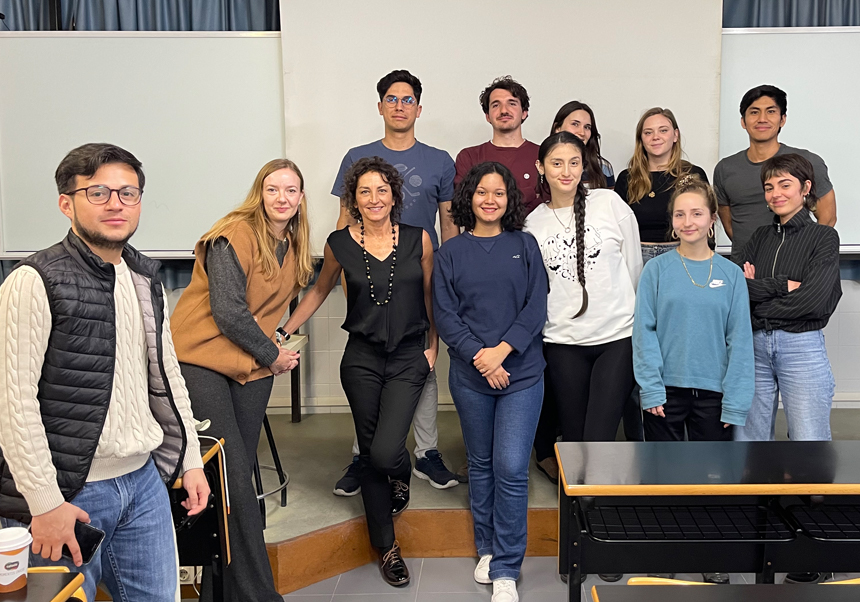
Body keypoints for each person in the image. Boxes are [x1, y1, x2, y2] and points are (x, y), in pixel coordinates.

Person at [0, 143, 209, 602]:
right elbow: (13, 406)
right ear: (66, 203)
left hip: (143, 483)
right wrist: (45, 502)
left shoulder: (144, 278)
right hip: (70, 493)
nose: (116, 203)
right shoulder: (35, 281)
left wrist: (190, 458)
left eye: (128, 193)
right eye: (98, 192)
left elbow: (167, 375)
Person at [283, 157, 437, 587]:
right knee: (371, 453)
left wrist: (432, 348)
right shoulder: (338, 243)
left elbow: (430, 296)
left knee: (388, 453)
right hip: (361, 360)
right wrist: (282, 331)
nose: (374, 199)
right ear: (353, 198)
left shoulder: (418, 240)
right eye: (364, 191)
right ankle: (386, 547)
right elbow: (317, 291)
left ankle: (400, 472)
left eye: (382, 190)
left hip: (409, 357)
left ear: (394, 196)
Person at [170, 159, 312, 601]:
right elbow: (230, 311)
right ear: (260, 192)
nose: (282, 198)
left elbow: (270, 312)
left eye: (291, 191)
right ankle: (260, 596)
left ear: (301, 198)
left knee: (236, 483)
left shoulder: (291, 243)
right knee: (230, 481)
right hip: (202, 362)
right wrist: (275, 354)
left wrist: (272, 352)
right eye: (273, 190)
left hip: (250, 367)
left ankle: (224, 593)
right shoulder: (233, 236)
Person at [332, 69, 458, 495]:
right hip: (369, 282)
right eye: (392, 98)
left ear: (418, 108)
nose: (400, 106)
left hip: (417, 277)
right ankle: (362, 456)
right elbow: (345, 222)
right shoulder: (357, 155)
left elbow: (448, 222)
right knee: (367, 372)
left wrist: (451, 275)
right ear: (380, 105)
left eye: (408, 99)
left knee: (421, 362)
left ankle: (427, 453)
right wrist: (351, 288)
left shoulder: (440, 160)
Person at [434, 162, 548, 602]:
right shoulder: (450, 252)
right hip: (471, 376)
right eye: (482, 192)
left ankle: (506, 567)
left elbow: (535, 305)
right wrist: (482, 358)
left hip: (521, 375)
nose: (489, 200)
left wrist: (502, 353)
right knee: (480, 464)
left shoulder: (525, 244)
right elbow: (445, 314)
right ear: (470, 197)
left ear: (509, 200)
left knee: (511, 468)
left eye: (499, 193)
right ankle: (486, 547)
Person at [524, 132, 642, 473]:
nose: (566, 171)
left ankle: (599, 516)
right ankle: (580, 519)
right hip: (563, 343)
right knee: (574, 442)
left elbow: (634, 269)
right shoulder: (533, 224)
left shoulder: (610, 203)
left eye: (574, 162)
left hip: (616, 339)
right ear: (541, 167)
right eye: (557, 163)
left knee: (599, 439)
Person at [614, 107, 708, 444]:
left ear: (675, 135)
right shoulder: (627, 178)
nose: (656, 137)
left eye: (663, 130)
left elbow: (702, 224)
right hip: (637, 258)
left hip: (677, 255)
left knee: (678, 338)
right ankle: (641, 434)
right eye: (648, 132)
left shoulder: (692, 174)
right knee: (640, 339)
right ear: (641, 139)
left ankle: (682, 424)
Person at [734, 153, 841, 443]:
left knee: (809, 440)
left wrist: (757, 292)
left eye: (785, 185)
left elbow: (814, 301)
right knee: (748, 441)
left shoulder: (823, 237)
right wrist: (783, 285)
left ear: (805, 188)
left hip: (801, 346)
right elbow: (735, 292)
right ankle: (758, 490)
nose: (776, 194)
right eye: (769, 187)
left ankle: (812, 490)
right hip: (754, 347)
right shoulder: (758, 238)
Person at [715, 85, 836, 260]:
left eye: (771, 112)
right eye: (754, 112)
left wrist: (806, 254)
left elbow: (828, 217)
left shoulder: (807, 161)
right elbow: (729, 223)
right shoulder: (725, 168)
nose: (762, 119)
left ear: (782, 119)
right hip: (745, 267)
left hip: (795, 264)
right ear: (743, 121)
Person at [455, 76, 542, 214]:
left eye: (512, 103)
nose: (503, 110)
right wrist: (531, 193)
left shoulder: (543, 155)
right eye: (496, 105)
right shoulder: (469, 157)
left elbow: (551, 202)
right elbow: (465, 204)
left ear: (524, 113)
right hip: (483, 236)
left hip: (536, 235)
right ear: (487, 116)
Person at [550, 101, 615, 188]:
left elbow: (610, 201)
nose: (582, 132)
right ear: (557, 128)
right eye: (575, 124)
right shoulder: (543, 163)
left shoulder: (603, 167)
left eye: (587, 127)